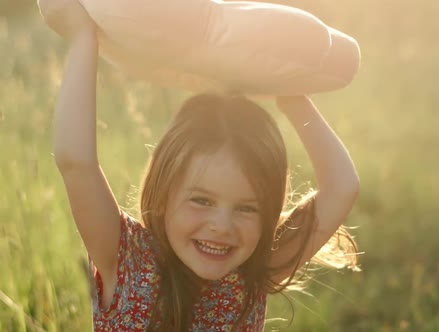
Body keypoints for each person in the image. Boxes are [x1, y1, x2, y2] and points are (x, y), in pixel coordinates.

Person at [40, 0, 360, 331]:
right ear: (163, 195)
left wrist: (289, 92)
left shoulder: (252, 273)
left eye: (247, 208)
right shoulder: (128, 260)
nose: (222, 226)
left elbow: (342, 188)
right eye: (202, 200)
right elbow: (77, 163)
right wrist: (82, 38)